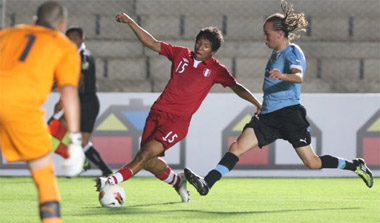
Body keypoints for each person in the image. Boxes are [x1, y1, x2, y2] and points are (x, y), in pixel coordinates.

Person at [184, 0, 374, 196]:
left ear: (280, 34)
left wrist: (282, 76)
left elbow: (298, 76)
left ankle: (355, 165)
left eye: (267, 34)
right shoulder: (275, 54)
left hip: (289, 114)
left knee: (312, 162)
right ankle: (207, 183)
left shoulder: (292, 51)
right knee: (237, 146)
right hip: (267, 116)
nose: (265, 38)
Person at [95, 12, 262, 203]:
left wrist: (257, 103)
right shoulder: (180, 54)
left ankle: (111, 180)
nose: (200, 47)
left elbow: (237, 87)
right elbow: (152, 43)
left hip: (177, 122)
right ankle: (177, 181)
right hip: (156, 113)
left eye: (206, 46)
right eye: (199, 42)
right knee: (148, 162)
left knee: (145, 154)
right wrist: (130, 22)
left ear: (213, 51)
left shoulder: (217, 70)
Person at [0, 1, 85, 223]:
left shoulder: (8, 33)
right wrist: (75, 140)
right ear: (62, 25)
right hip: (19, 109)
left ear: (35, 21)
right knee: (44, 175)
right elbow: (68, 91)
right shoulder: (64, 46)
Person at [54, 27, 113, 176]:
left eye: (75, 37)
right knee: (62, 128)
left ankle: (103, 169)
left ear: (82, 39)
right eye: (69, 37)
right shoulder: (69, 56)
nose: (72, 40)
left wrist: (63, 100)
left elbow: (78, 79)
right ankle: (82, 163)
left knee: (82, 141)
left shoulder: (84, 56)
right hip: (78, 101)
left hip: (87, 102)